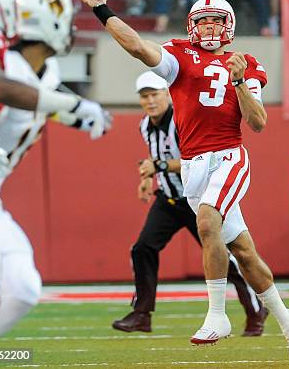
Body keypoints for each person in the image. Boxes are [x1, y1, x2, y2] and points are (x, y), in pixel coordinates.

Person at [75, 0, 289, 363]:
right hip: (194, 164)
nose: (211, 27)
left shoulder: (245, 62)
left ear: (229, 25)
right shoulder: (178, 55)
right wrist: (101, 8)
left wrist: (237, 82)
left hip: (229, 156)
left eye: (218, 20)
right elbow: (136, 46)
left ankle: (218, 315)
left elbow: (259, 122)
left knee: (206, 222)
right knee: (245, 254)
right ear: (192, 26)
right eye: (204, 20)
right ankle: (288, 319)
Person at [0, 0, 108, 367]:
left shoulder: (42, 73)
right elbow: (8, 93)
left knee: (24, 289)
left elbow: (40, 96)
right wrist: (73, 108)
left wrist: (74, 113)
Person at [112, 71, 267, 336]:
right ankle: (142, 313)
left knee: (226, 259)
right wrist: (148, 179)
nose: (150, 101)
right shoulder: (145, 126)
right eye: (145, 97)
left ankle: (256, 309)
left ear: (167, 94)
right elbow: (156, 158)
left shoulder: (183, 119)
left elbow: (192, 160)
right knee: (143, 248)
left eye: (154, 95)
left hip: (199, 198)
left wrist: (158, 166)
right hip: (169, 199)